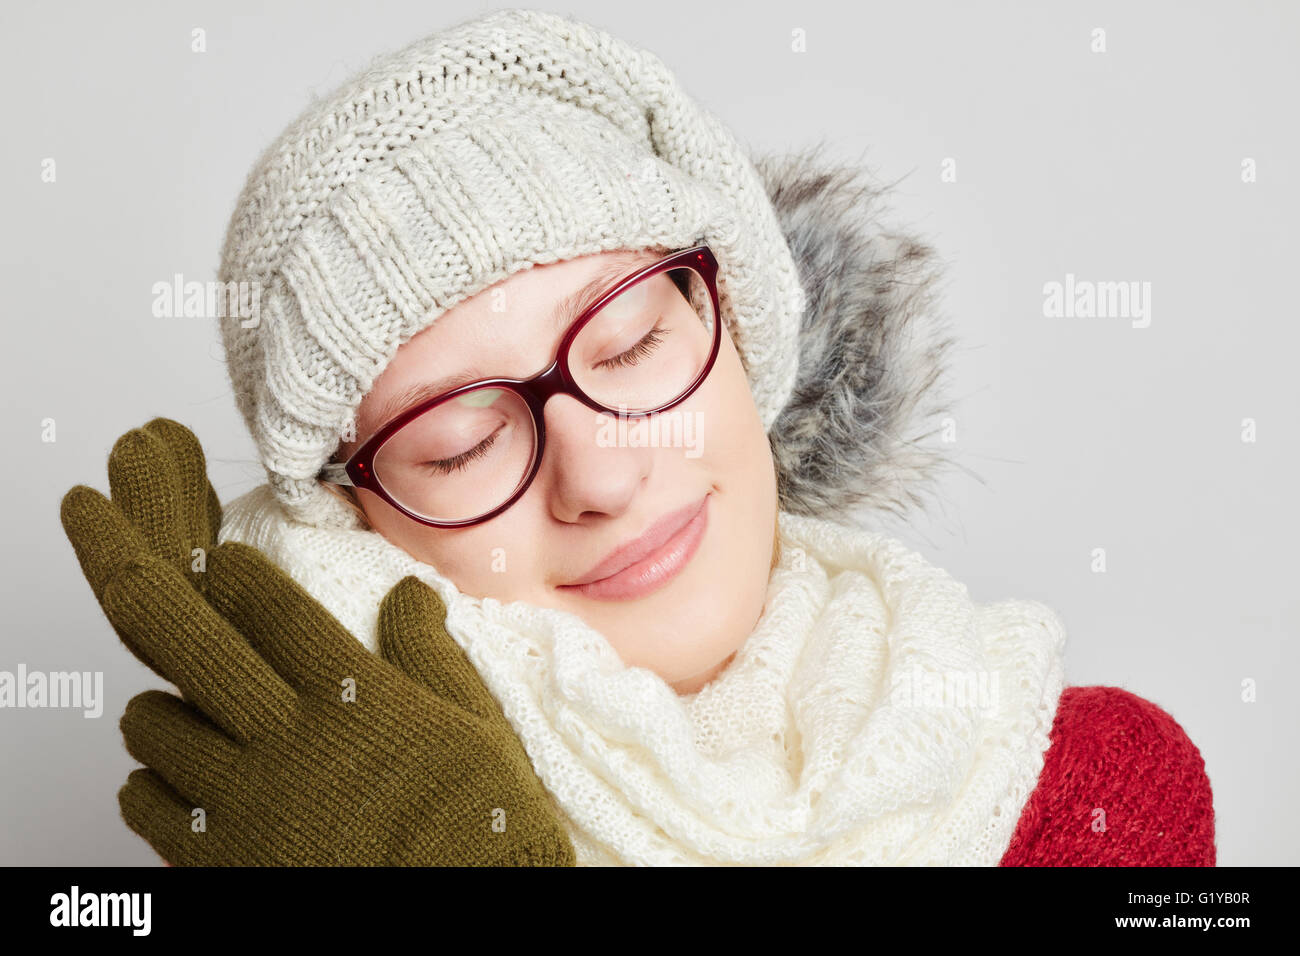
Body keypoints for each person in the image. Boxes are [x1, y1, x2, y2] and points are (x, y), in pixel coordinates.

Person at [60, 8, 1215, 866]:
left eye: (628, 346)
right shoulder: (308, 823)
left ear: (744, 331)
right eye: (460, 444)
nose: (598, 474)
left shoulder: (1083, 785)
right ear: (353, 527)